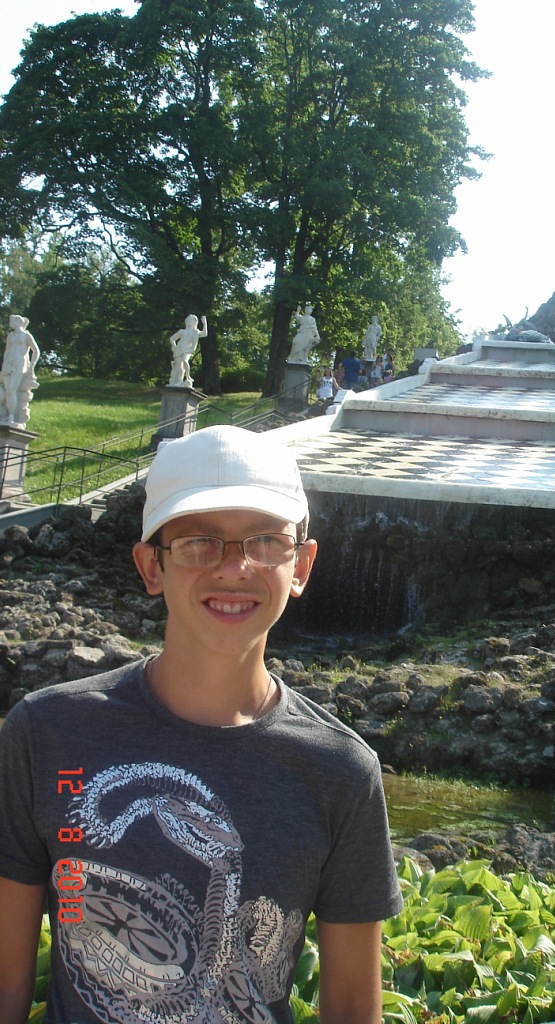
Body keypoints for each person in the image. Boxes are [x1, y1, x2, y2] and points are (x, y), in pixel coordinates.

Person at [0, 425, 403, 1024]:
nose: (235, 568)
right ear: (151, 565)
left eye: (266, 541)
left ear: (301, 565)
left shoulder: (340, 771)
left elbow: (350, 1007)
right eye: (198, 542)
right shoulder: (46, 733)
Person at [1, 314, 40, 424]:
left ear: (18, 322)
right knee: (8, 391)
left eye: (11, 321)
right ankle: (6, 415)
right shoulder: (10, 336)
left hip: (19, 364)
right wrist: (4, 366)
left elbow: (36, 351)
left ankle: (11, 416)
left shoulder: (26, 335)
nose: (10, 323)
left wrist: (31, 366)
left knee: (12, 389)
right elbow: (7, 351)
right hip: (8, 364)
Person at [169, 313, 207, 387]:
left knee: (185, 360)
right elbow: (172, 338)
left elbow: (204, 333)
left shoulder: (195, 332)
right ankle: (179, 381)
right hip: (179, 349)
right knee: (179, 366)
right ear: (186, 321)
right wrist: (174, 346)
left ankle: (188, 376)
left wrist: (204, 323)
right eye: (189, 319)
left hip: (188, 349)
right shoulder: (182, 331)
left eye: (192, 320)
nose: (190, 321)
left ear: (195, 322)